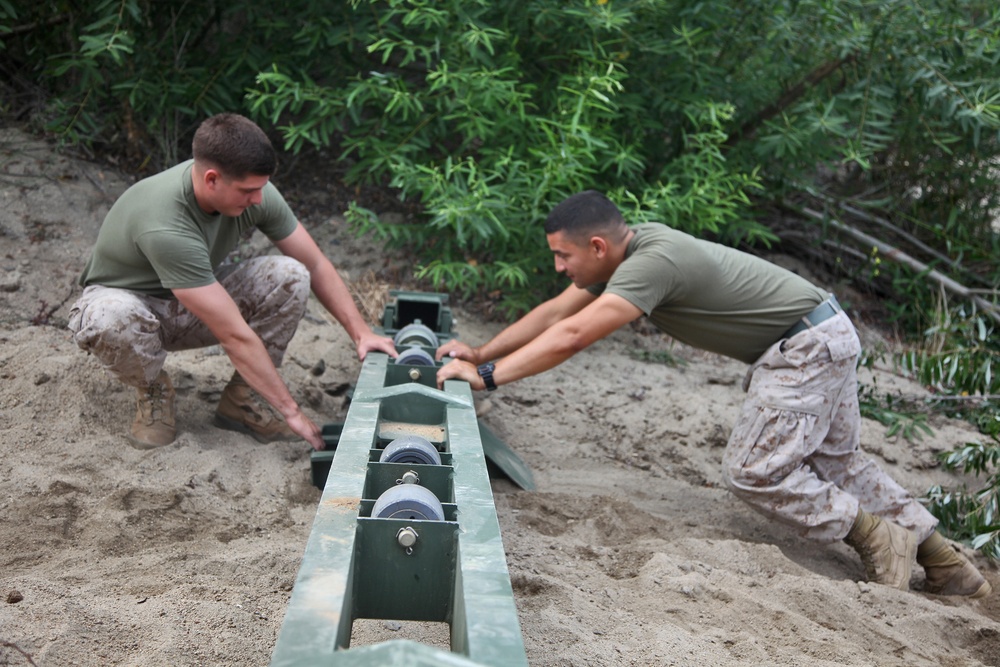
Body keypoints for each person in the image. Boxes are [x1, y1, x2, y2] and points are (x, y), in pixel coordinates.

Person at [435, 189, 991, 599]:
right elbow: (559, 311)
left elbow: (575, 335)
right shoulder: (634, 250)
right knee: (834, 461)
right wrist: (480, 355)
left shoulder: (652, 263)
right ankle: (946, 564)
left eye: (563, 256)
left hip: (803, 346)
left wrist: (486, 380)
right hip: (824, 331)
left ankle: (875, 533)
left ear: (598, 246)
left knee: (755, 470)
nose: (559, 267)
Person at [69, 112, 397, 451]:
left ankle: (240, 404)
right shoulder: (165, 223)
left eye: (261, 188)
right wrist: (292, 412)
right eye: (249, 191)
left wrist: (362, 333)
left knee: (291, 276)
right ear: (212, 179)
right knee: (110, 316)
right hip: (133, 310)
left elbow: (313, 262)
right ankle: (152, 389)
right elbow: (233, 336)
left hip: (188, 300)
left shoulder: (254, 190)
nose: (258, 199)